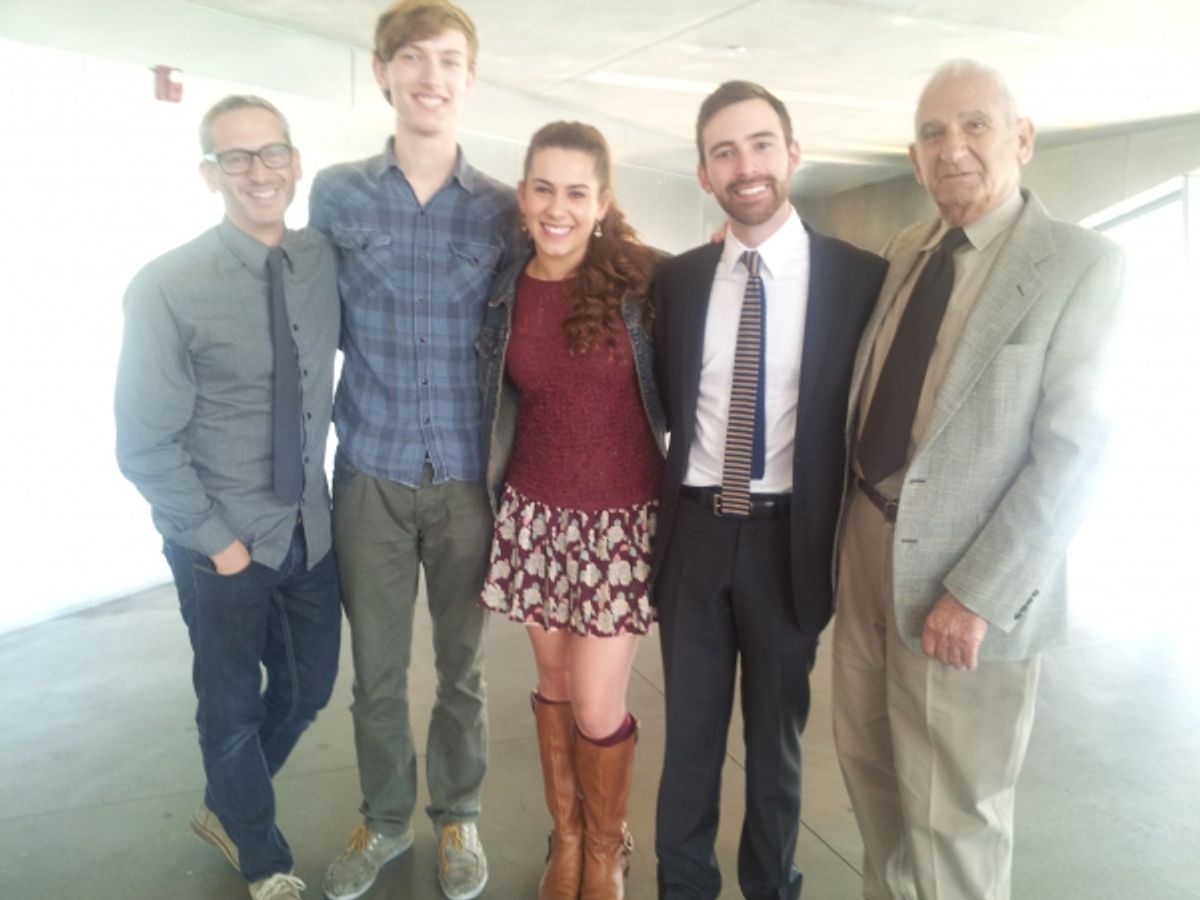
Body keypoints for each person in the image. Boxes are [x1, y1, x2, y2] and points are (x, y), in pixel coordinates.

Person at [833, 59, 1125, 900]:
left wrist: (980, 595)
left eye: (974, 126)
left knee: (956, 817)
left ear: (1022, 139)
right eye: (932, 133)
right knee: (874, 787)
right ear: (916, 158)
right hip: (862, 553)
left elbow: (1076, 453)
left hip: (964, 586)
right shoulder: (906, 253)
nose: (952, 148)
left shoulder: (1080, 266)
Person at [650, 81, 887, 900]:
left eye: (758, 144)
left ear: (792, 153)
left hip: (794, 541)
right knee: (689, 744)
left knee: (777, 747)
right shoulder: (676, 284)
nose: (744, 165)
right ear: (703, 173)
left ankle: (769, 888)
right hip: (695, 536)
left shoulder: (861, 281)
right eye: (723, 151)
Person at [307, 3, 515, 899]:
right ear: (382, 71)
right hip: (372, 478)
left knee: (463, 672)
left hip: (470, 479)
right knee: (378, 674)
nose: (432, 77)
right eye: (414, 59)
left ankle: (458, 817)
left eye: (450, 61)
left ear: (469, 78)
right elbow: (312, 326)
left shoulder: (506, 210)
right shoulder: (337, 192)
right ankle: (386, 820)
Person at [115, 95, 341, 900]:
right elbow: (143, 442)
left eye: (272, 152)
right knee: (231, 706)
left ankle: (227, 802)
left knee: (310, 687)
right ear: (210, 173)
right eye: (236, 157)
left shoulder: (322, 261)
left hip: (310, 531)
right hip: (221, 544)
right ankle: (262, 853)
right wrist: (221, 544)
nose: (258, 171)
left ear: (295, 162)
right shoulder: (168, 287)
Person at [477, 121, 663, 900]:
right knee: (553, 682)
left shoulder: (645, 280)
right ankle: (569, 838)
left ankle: (609, 846)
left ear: (602, 201)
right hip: (535, 516)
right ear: (522, 197)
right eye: (543, 189)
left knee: (594, 699)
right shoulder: (503, 285)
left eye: (576, 192)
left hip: (621, 524)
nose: (558, 208)